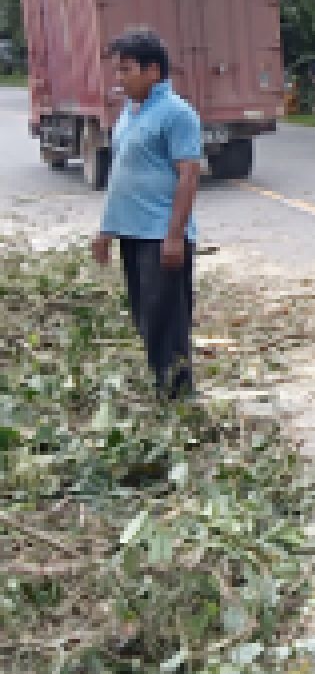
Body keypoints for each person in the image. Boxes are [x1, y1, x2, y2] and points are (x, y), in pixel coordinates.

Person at [90, 29, 204, 400]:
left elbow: (189, 174)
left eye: (125, 70)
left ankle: (179, 395)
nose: (118, 79)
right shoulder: (129, 113)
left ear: (153, 70)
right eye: (117, 70)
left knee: (166, 317)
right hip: (133, 234)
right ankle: (162, 386)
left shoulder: (177, 114)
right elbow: (121, 176)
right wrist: (106, 231)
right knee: (145, 316)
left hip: (162, 236)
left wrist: (175, 236)